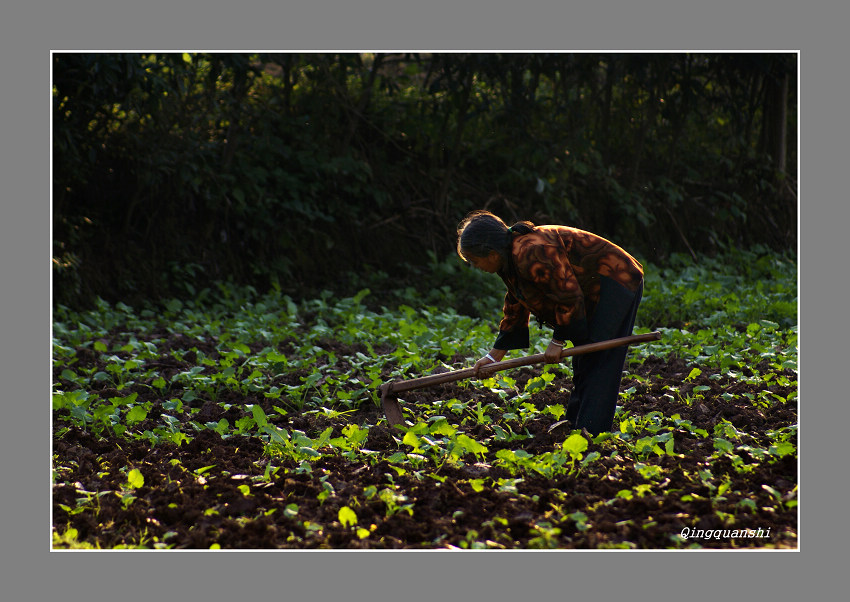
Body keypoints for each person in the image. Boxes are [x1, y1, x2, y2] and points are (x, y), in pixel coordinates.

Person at [456, 210, 644, 434]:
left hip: (614, 279)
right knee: (585, 357)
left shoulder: (532, 250)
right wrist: (492, 357)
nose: (476, 267)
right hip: (590, 292)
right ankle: (576, 425)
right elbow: (516, 305)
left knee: (600, 359)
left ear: (491, 252)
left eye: (475, 261)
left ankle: (592, 431)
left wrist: (558, 340)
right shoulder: (509, 261)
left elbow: (567, 294)